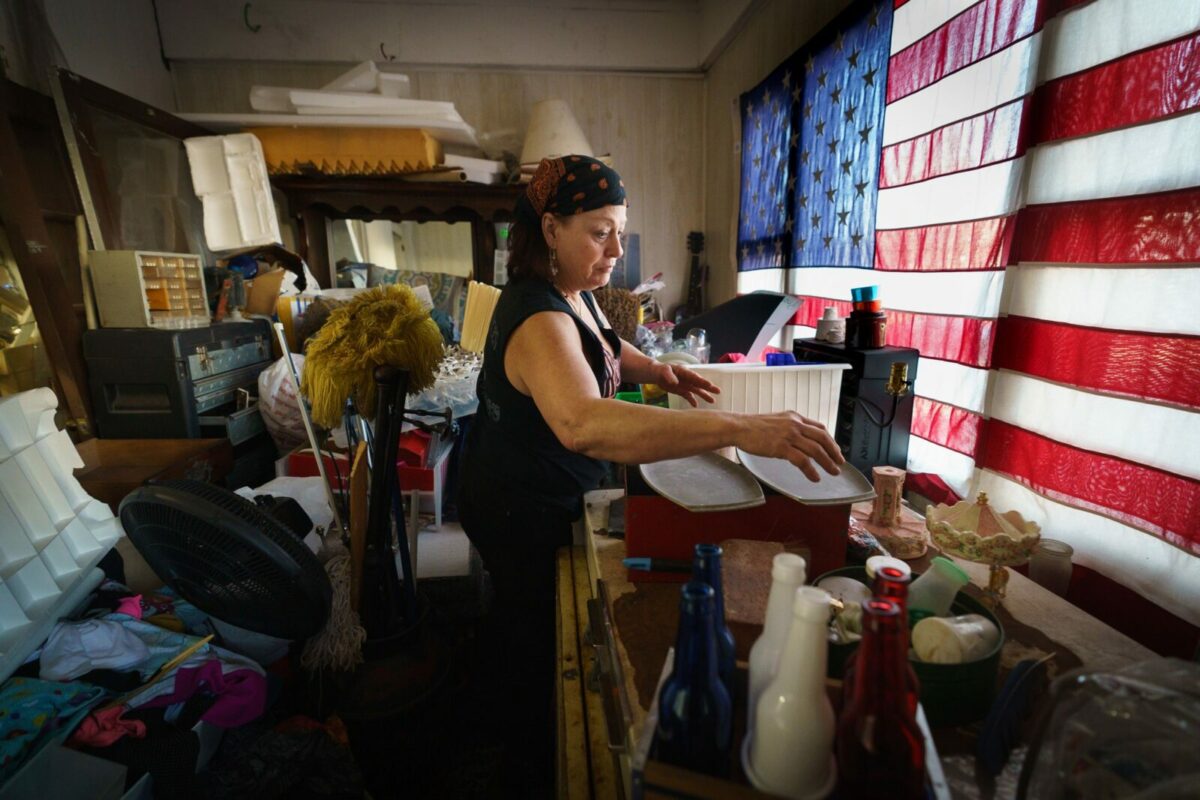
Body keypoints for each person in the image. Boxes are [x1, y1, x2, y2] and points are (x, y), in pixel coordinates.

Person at [456, 155, 843, 794]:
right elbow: (584, 421)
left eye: (620, 231)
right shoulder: (537, 316)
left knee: (536, 634)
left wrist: (657, 371)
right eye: (598, 231)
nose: (615, 249)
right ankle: (526, 762)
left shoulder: (572, 294)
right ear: (550, 229)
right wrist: (741, 427)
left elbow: (603, 348)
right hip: (517, 508)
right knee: (538, 647)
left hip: (540, 489)